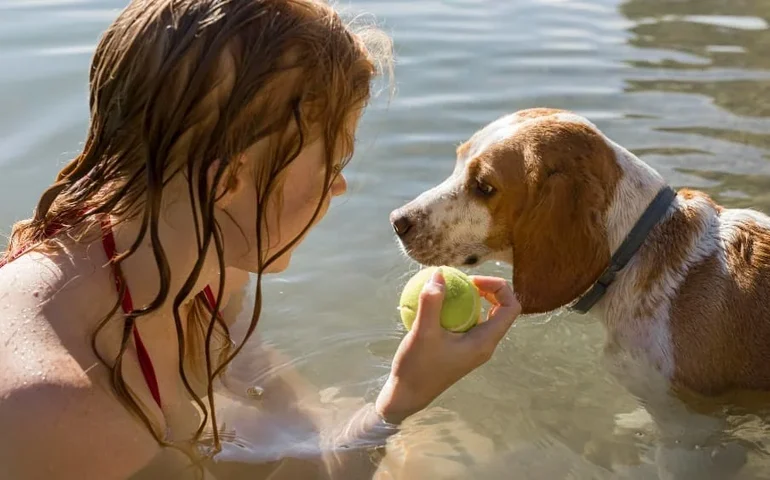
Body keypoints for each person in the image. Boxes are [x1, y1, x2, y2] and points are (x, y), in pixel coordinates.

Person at [0, 1, 521, 478]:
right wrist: (401, 402)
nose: (339, 187)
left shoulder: (202, 261)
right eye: (333, 163)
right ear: (227, 181)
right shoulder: (63, 413)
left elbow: (295, 421)